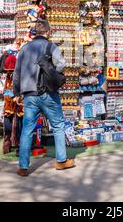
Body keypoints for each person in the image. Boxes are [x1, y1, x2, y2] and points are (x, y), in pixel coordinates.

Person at [13, 19, 75, 176]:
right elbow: (61, 65)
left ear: (35, 32)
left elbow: (17, 73)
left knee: (27, 129)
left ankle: (23, 166)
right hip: (48, 93)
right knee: (58, 125)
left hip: (29, 95)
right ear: (48, 32)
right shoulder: (50, 46)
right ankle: (61, 161)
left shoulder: (24, 48)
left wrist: (16, 93)